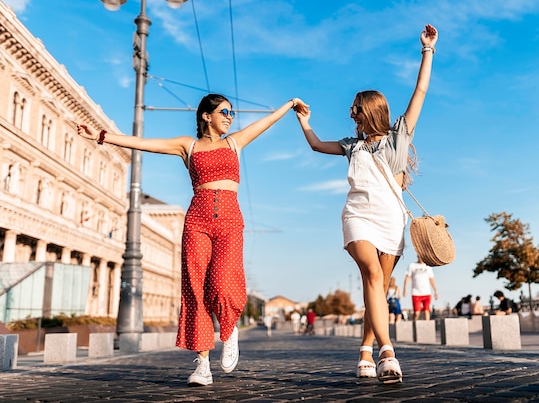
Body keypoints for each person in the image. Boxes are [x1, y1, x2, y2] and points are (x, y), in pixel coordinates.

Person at [76, 93, 308, 387]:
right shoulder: (189, 145)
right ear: (206, 116)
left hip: (230, 220)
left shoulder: (234, 142)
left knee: (224, 282)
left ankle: (228, 329)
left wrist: (288, 105)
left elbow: (266, 122)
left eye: (232, 112)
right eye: (224, 111)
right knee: (195, 289)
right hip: (197, 220)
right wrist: (102, 137)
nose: (230, 116)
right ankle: (202, 363)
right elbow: (144, 143)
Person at [294, 24, 438, 384]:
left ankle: (364, 351)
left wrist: (427, 51)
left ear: (369, 110)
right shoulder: (350, 146)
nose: (351, 114)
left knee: (377, 287)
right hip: (358, 217)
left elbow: (420, 91)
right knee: (373, 276)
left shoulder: (400, 135)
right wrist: (305, 122)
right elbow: (315, 145)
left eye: (355, 109)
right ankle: (387, 353)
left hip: (391, 222)